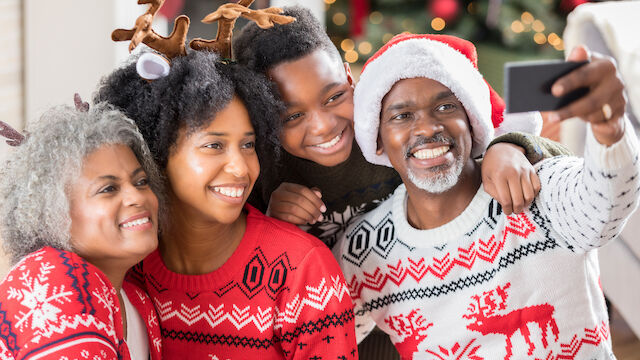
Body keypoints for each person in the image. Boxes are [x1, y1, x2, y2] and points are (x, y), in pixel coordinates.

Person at [334, 33, 638, 360]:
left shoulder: (536, 185)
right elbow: (323, 339)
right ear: (377, 139)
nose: (427, 128)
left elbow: (604, 203)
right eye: (402, 115)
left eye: (446, 106)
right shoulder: (363, 251)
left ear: (472, 121)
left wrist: (611, 130)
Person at [234, 6, 603, 251]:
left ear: (351, 77)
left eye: (334, 97)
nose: (324, 126)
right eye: (292, 117)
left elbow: (501, 113)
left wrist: (510, 144)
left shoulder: (391, 120)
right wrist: (271, 224)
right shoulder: (262, 170)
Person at [95, 48, 358, 359]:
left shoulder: (303, 270)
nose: (241, 168)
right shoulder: (128, 267)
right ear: (155, 155)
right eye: (214, 145)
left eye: (248, 144)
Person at [0, 103, 163, 360]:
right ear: (53, 212)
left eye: (141, 182)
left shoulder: (138, 302)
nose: (137, 197)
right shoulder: (47, 284)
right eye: (109, 188)